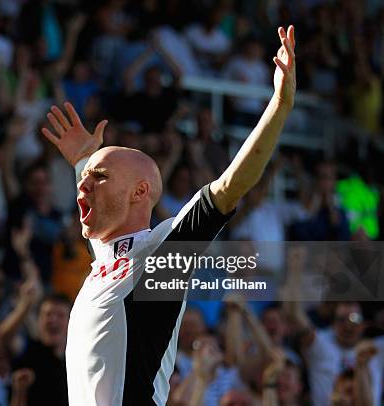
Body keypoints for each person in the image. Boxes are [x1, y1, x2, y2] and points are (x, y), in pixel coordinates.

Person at [41, 25, 297, 405]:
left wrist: (278, 106)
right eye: (86, 179)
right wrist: (84, 161)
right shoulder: (106, 257)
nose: (84, 185)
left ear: (140, 192)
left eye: (101, 177)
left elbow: (229, 186)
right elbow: (105, 226)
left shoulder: (160, 256)